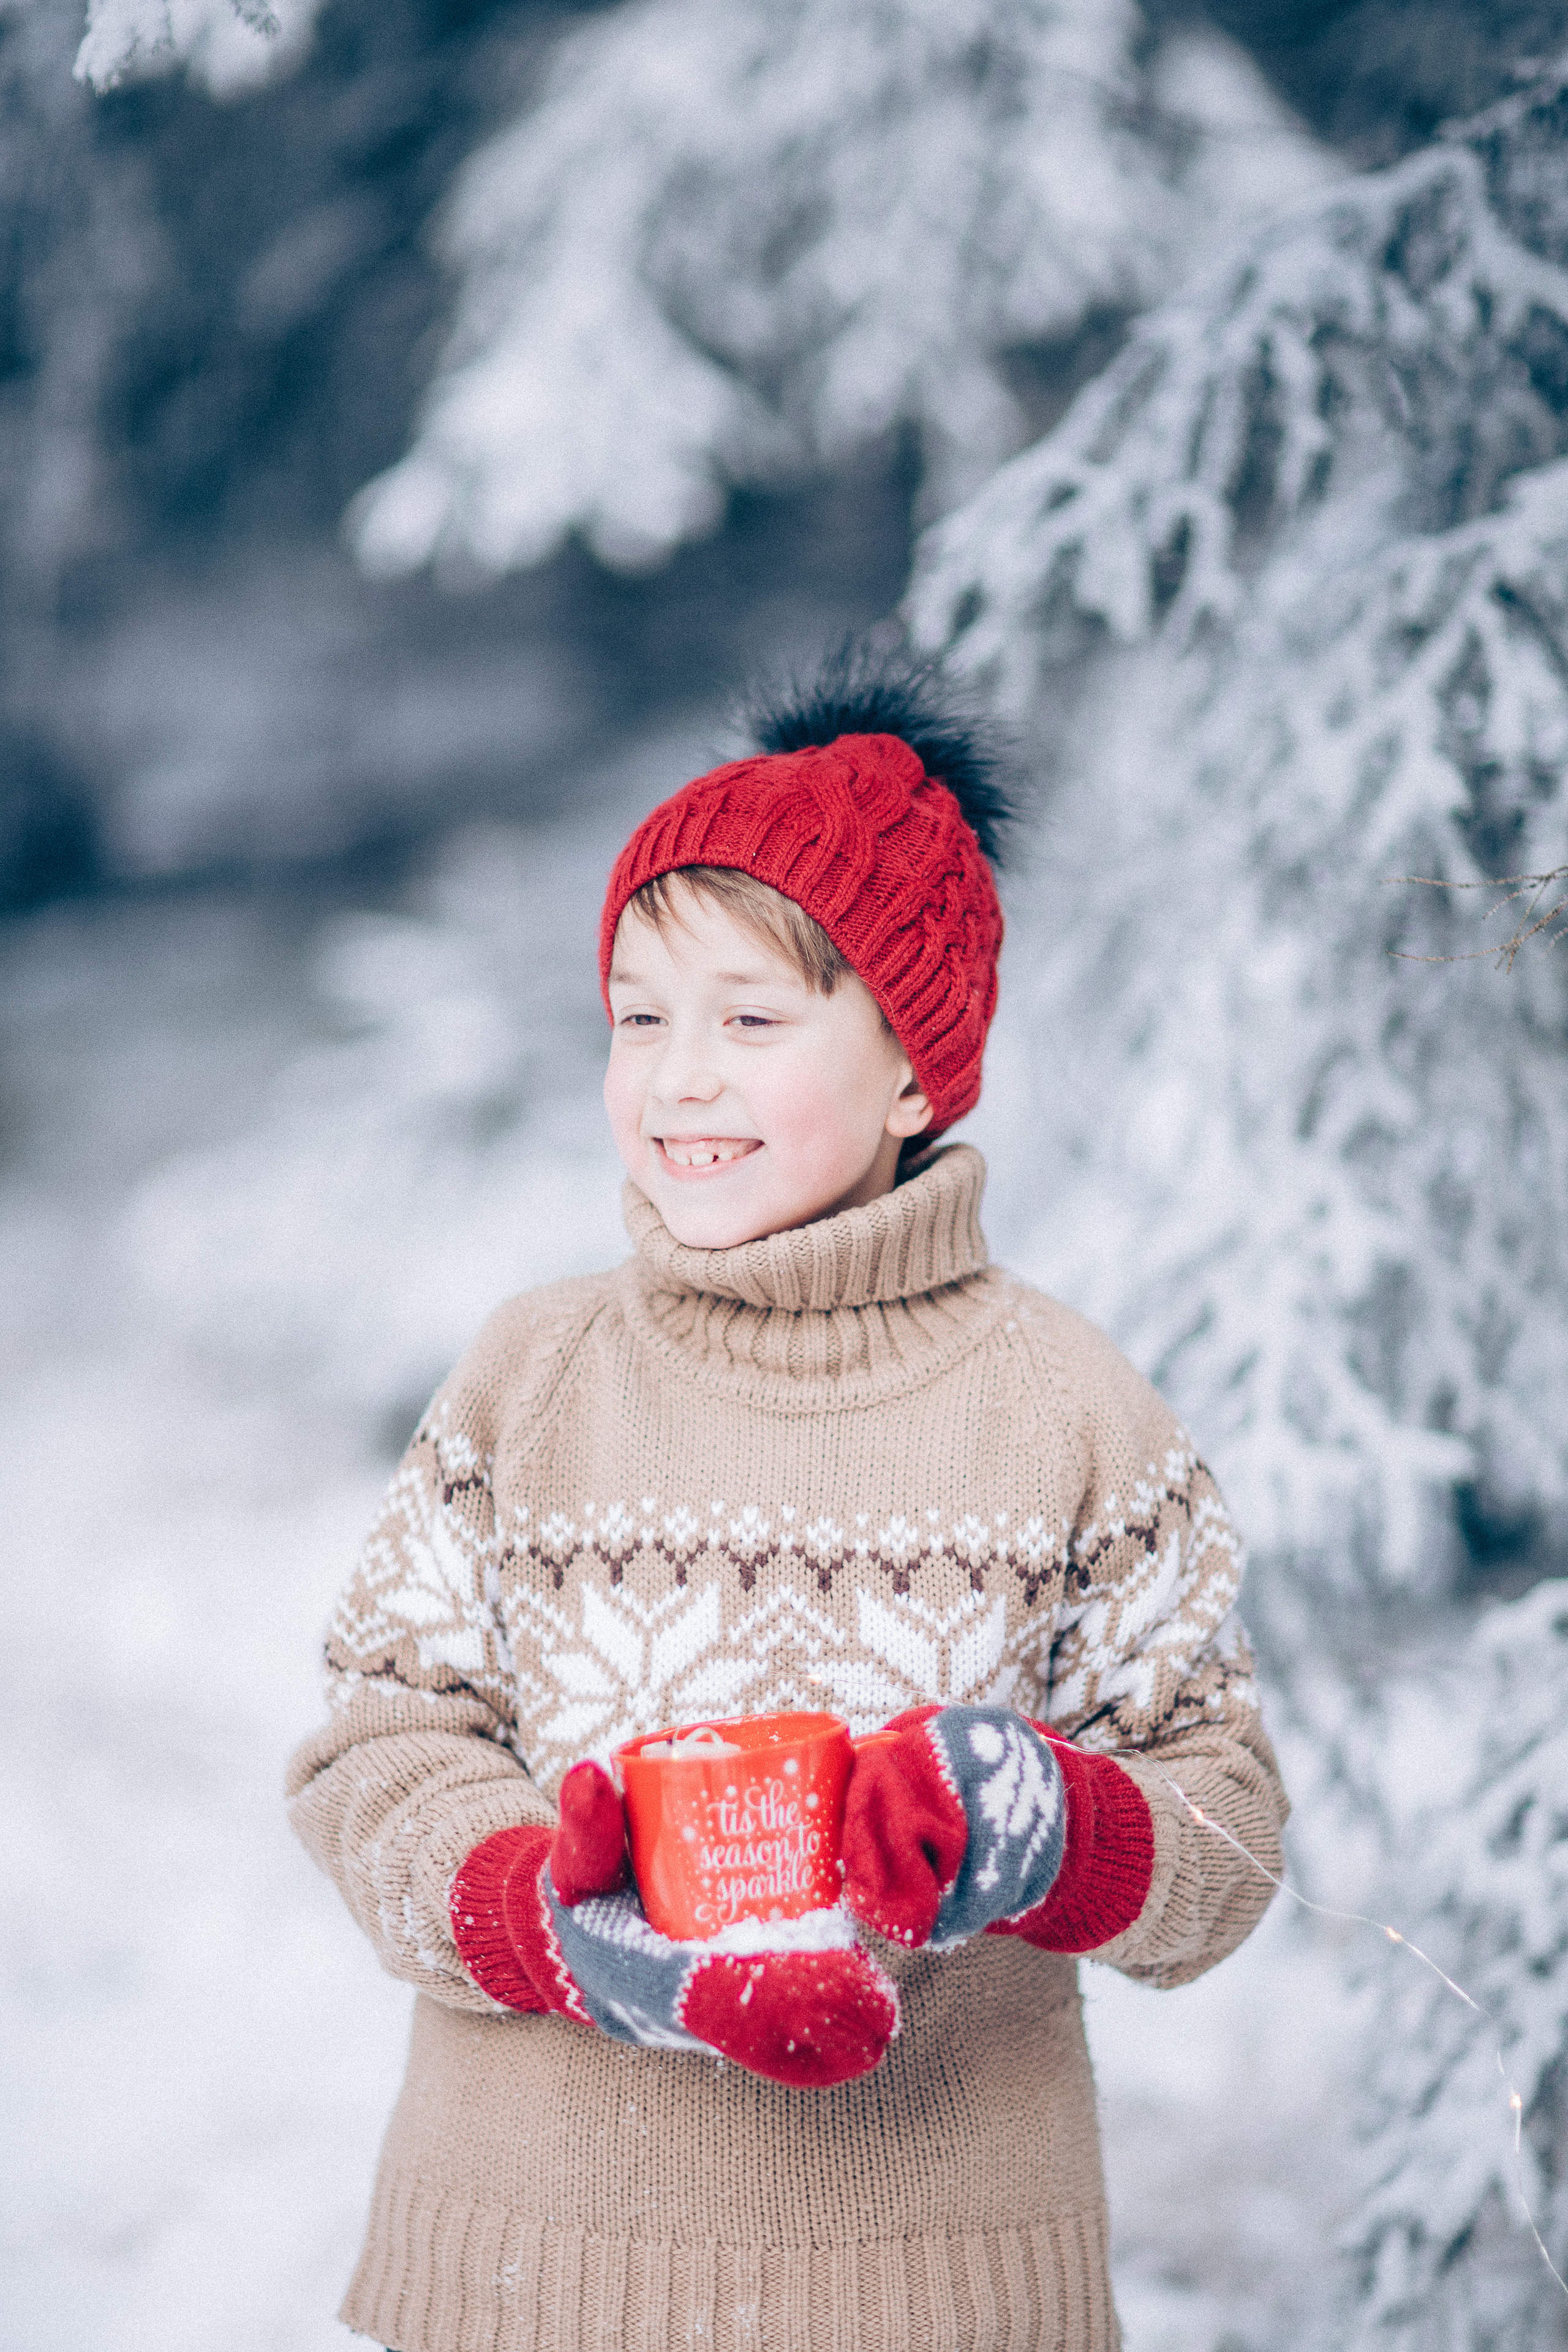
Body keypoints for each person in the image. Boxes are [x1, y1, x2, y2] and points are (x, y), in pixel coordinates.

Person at [287, 648, 1287, 2352]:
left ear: (914, 1072)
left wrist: (1046, 1824)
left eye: (751, 1021)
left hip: (932, 2286)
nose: (679, 1076)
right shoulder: (531, 1380)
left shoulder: (1069, 1413)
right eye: (641, 1017)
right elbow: (373, 1751)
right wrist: (543, 1916)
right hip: (542, 2273)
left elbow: (1227, 1837)